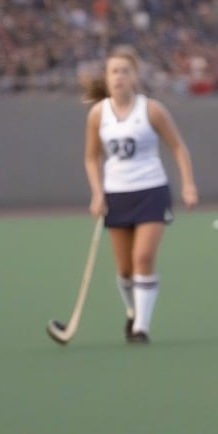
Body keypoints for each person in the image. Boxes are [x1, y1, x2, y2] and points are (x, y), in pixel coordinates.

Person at [82, 45, 199, 343]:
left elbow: (177, 147)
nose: (119, 76)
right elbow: (91, 158)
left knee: (143, 259)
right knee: (124, 270)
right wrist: (97, 193)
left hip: (151, 190)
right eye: (114, 71)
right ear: (107, 79)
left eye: (125, 71)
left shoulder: (152, 109)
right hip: (117, 194)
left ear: (134, 77)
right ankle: (134, 311)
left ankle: (141, 328)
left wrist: (188, 185)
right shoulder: (98, 114)